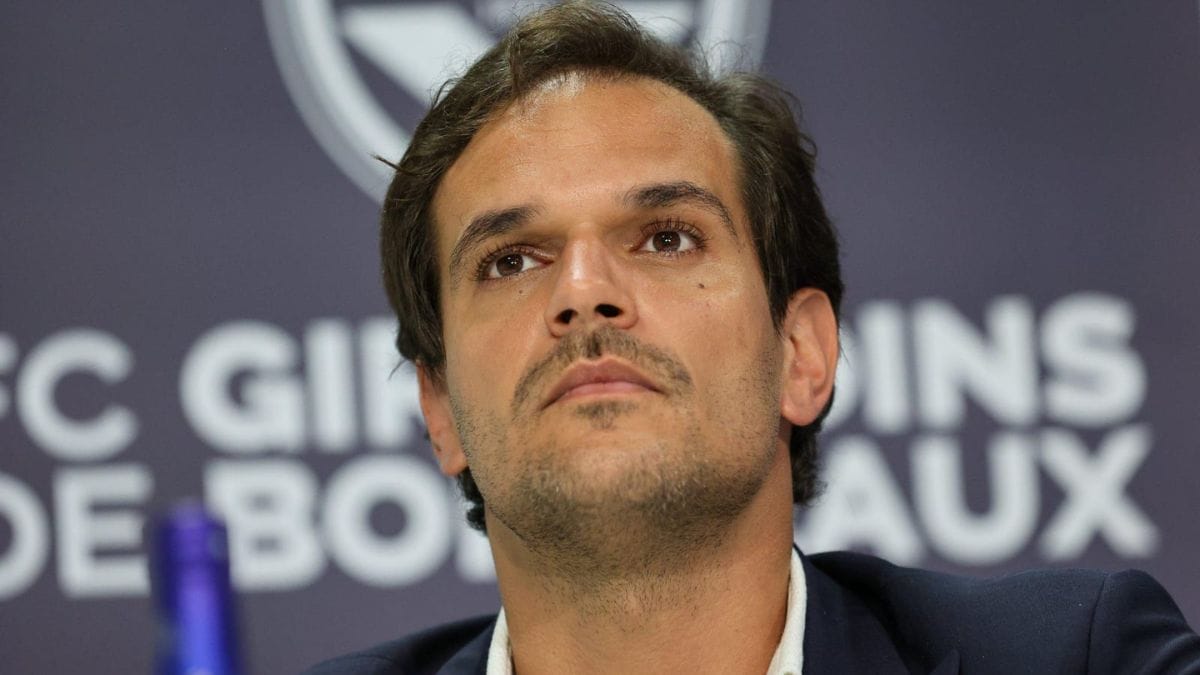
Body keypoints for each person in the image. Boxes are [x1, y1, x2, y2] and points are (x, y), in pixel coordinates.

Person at [307, 2, 1200, 673]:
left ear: (802, 353)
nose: (582, 292)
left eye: (666, 239)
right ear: (440, 408)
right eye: (511, 260)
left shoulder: (1077, 656)